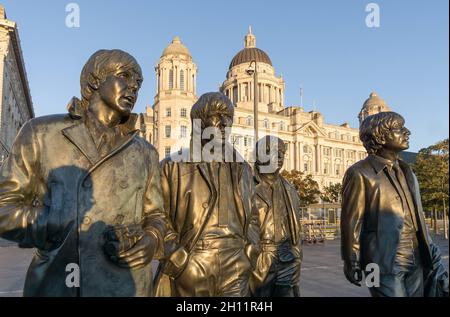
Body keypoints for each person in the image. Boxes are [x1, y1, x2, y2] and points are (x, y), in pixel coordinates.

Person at [0, 49, 170, 296]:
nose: (133, 87)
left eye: (138, 83)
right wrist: (56, 223)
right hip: (59, 283)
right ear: (95, 80)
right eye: (125, 76)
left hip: (124, 285)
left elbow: (157, 215)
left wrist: (152, 239)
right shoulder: (41, 133)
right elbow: (4, 208)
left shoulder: (146, 152)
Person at [154, 92, 260, 297]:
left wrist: (251, 250)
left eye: (228, 117)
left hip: (236, 260)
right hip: (193, 261)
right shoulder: (171, 167)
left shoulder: (243, 169)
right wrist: (175, 256)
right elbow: (155, 215)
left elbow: (253, 215)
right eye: (216, 115)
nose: (223, 123)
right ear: (199, 122)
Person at [341, 111, 449, 297]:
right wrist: (351, 260)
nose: (407, 132)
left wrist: (430, 249)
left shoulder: (408, 171)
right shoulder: (359, 173)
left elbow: (417, 217)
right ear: (381, 136)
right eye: (399, 129)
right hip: (380, 260)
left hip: (416, 254)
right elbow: (351, 221)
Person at [252, 136, 303, 297]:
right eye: (275, 152)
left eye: (282, 152)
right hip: (258, 260)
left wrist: (297, 258)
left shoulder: (290, 189)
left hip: (287, 258)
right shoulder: (244, 183)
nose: (280, 157)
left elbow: (295, 228)